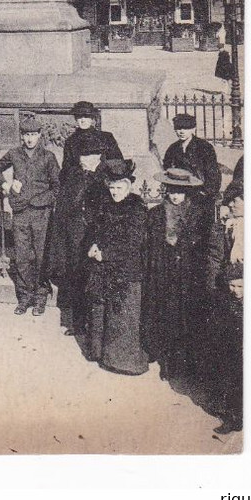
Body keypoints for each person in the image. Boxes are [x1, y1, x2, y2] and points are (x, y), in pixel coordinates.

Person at [142, 168, 211, 387]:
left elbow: (201, 248)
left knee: (185, 320)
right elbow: (150, 246)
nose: (175, 196)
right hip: (162, 274)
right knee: (164, 317)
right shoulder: (155, 215)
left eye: (180, 192)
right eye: (171, 191)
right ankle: (167, 363)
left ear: (187, 192)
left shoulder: (197, 214)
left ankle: (184, 365)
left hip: (187, 276)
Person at [83, 158, 148, 376]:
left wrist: (106, 255)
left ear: (128, 187)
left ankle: (126, 363)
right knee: (102, 311)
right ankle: (103, 356)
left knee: (123, 316)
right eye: (111, 188)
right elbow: (96, 230)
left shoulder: (137, 209)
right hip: (104, 268)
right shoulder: (106, 205)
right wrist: (93, 245)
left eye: (119, 188)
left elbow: (133, 242)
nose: (114, 192)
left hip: (126, 270)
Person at [0, 120, 61, 316]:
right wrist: (5, 185)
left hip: (41, 214)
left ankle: (40, 297)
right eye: (26, 135)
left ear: (40, 135)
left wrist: (42, 200)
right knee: (22, 257)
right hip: (20, 212)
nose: (30, 139)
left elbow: (57, 187)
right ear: (22, 136)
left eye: (33, 134)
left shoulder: (48, 157)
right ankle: (24, 297)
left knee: (41, 257)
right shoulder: (14, 154)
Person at [42, 132, 107, 336]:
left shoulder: (106, 178)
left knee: (96, 282)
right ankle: (78, 325)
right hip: (75, 239)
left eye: (92, 156)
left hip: (97, 238)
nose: (87, 161)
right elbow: (62, 211)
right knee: (77, 280)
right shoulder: (72, 177)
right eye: (83, 156)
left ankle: (96, 327)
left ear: (99, 157)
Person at [205, 180, 244, 434]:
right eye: (228, 201)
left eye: (236, 201)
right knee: (232, 354)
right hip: (230, 297)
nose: (230, 205)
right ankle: (234, 413)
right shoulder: (229, 227)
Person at [163, 114, 222, 216]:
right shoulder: (172, 148)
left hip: (201, 195)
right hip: (180, 195)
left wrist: (206, 192)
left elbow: (213, 173)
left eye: (186, 128)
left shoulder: (204, 147)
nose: (181, 131)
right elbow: (167, 170)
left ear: (193, 129)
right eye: (178, 128)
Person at [61, 102, 123, 176]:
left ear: (92, 118)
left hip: (104, 181)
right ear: (76, 119)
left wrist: (100, 168)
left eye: (86, 116)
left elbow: (117, 162)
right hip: (81, 182)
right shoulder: (71, 141)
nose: (83, 120)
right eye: (79, 117)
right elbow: (67, 167)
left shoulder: (106, 137)